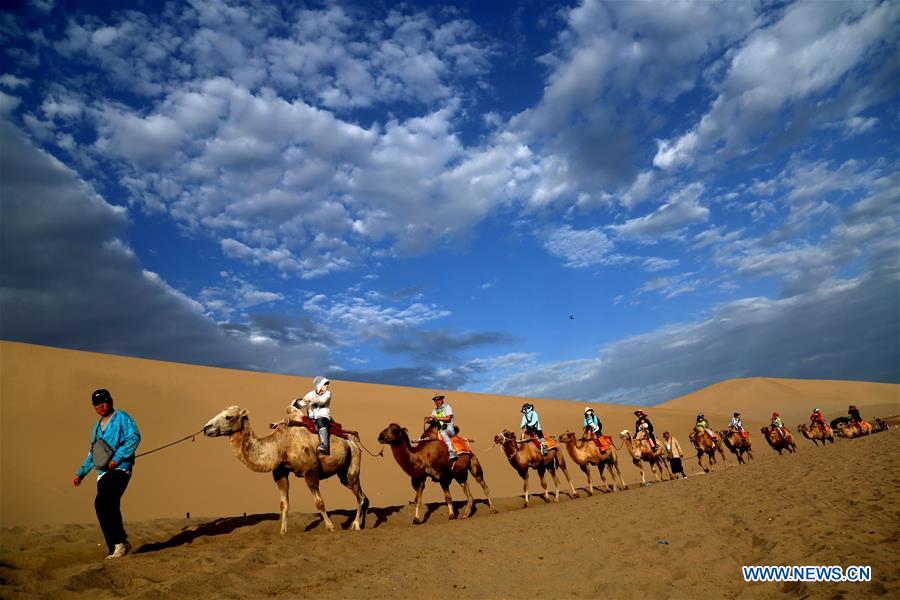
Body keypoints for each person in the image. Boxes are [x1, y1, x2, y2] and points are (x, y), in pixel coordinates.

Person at [72, 389, 141, 560]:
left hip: (120, 469)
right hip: (102, 472)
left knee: (104, 502)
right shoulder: (97, 426)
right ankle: (117, 545)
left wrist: (117, 458)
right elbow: (94, 452)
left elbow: (134, 437)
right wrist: (81, 473)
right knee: (106, 505)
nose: (100, 406)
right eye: (96, 404)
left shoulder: (122, 417)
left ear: (110, 401)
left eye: (103, 402)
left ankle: (119, 544)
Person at [291, 376, 333, 454]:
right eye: (325, 385)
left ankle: (324, 445)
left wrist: (310, 399)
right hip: (311, 417)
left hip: (323, 417)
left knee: (321, 422)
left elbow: (322, 401)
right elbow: (303, 403)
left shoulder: (328, 394)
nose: (327, 386)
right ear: (319, 385)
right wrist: (296, 405)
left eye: (327, 385)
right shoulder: (310, 394)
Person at [425, 394, 457, 462]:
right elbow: (432, 419)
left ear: (442, 399)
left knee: (443, 433)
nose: (437, 401)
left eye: (438, 400)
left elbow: (448, 418)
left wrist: (436, 418)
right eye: (435, 400)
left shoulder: (447, 407)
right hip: (437, 430)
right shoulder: (435, 410)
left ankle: (452, 451)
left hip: (449, 430)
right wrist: (428, 420)